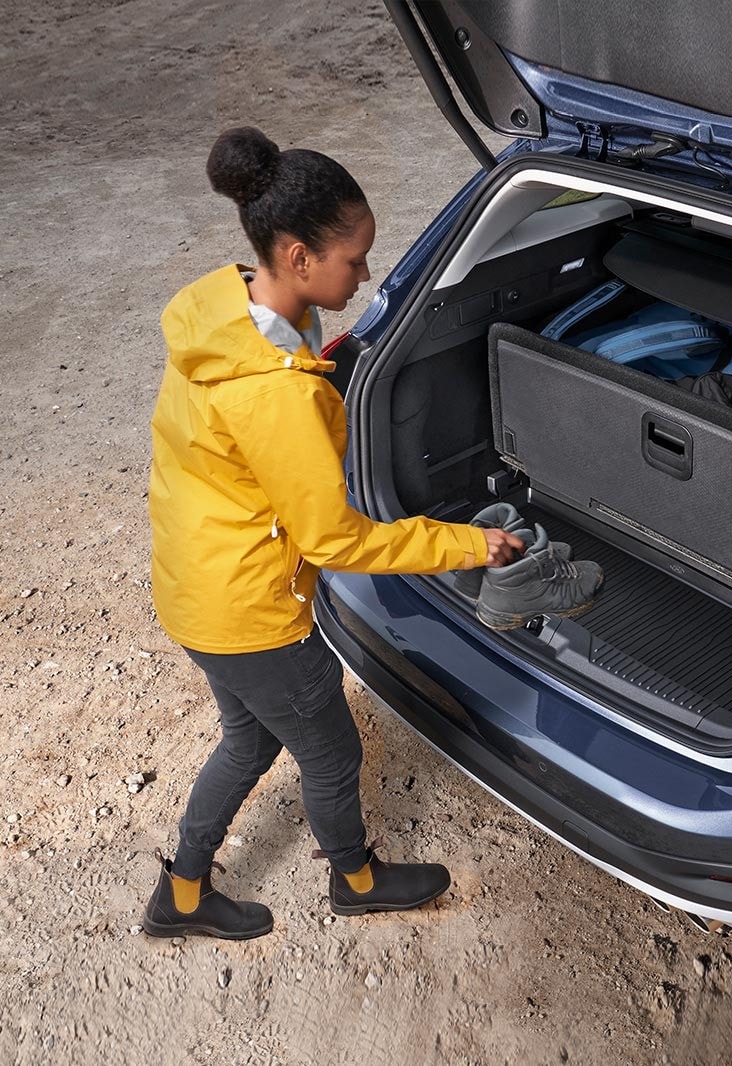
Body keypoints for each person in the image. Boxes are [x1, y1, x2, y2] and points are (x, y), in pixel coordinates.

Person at [141, 127, 525, 940]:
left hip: (196, 584)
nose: (364, 273)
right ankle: (356, 879)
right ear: (298, 255)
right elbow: (336, 541)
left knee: (247, 739)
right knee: (331, 754)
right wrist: (468, 544)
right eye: (354, 260)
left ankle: (180, 894)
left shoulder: (222, 311)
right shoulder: (273, 397)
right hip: (252, 614)